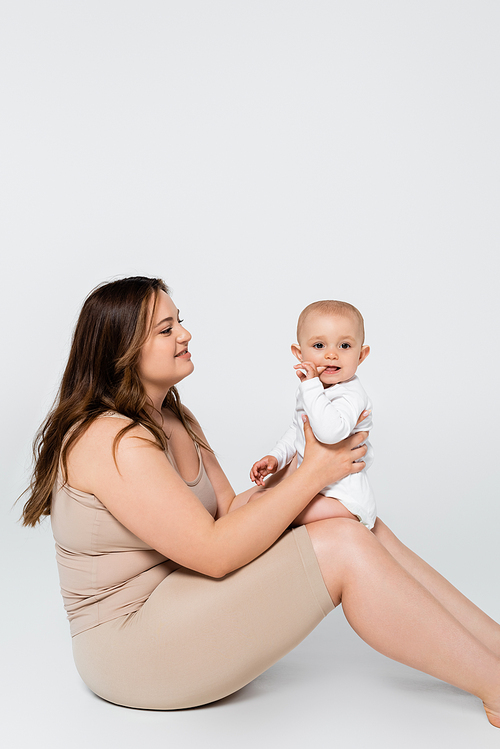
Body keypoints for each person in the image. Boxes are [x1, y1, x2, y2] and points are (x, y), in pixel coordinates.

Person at [21, 276, 500, 725]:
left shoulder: (173, 414)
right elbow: (214, 552)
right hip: (129, 648)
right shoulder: (110, 439)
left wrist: (308, 478)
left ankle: (494, 648)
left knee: (354, 520)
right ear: (122, 350)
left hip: (180, 599)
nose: (186, 334)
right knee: (339, 545)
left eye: (180, 320)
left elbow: (229, 512)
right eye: (167, 329)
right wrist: (313, 471)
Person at [250, 300, 376, 528]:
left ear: (361, 355)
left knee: (262, 509)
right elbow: (298, 428)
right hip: (317, 489)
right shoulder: (314, 390)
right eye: (319, 345)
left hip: (344, 500)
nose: (331, 355)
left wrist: (309, 386)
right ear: (299, 354)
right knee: (258, 501)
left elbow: (330, 433)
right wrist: (276, 457)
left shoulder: (351, 393)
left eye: (345, 346)